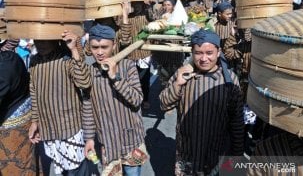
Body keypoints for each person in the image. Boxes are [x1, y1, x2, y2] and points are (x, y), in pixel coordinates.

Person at [159, 29, 245, 175]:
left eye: (209, 53)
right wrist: (178, 84)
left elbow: (237, 121)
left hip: (217, 154)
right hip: (188, 152)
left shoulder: (230, 80)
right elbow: (164, 104)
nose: (204, 59)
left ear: (218, 52)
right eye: (198, 53)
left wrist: (236, 155)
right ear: (192, 53)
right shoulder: (183, 75)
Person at [83, 24, 147, 176]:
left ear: (114, 45)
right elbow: (88, 108)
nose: (99, 52)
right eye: (95, 47)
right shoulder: (89, 72)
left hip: (132, 140)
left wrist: (115, 78)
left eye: (104, 47)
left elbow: (137, 99)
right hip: (107, 141)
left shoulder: (128, 66)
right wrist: (89, 139)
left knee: (133, 173)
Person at [28, 31, 92, 175]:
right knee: (62, 168)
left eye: (45, 40)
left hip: (70, 127)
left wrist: (74, 49)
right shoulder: (34, 61)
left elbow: (85, 83)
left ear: (55, 40)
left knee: (77, 169)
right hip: (48, 127)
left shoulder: (66, 59)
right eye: (38, 40)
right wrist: (35, 121)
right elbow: (34, 92)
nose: (41, 44)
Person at [0, 48, 36, 175]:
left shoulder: (5, 66)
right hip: (23, 119)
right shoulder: (12, 57)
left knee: (16, 168)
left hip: (11, 131)